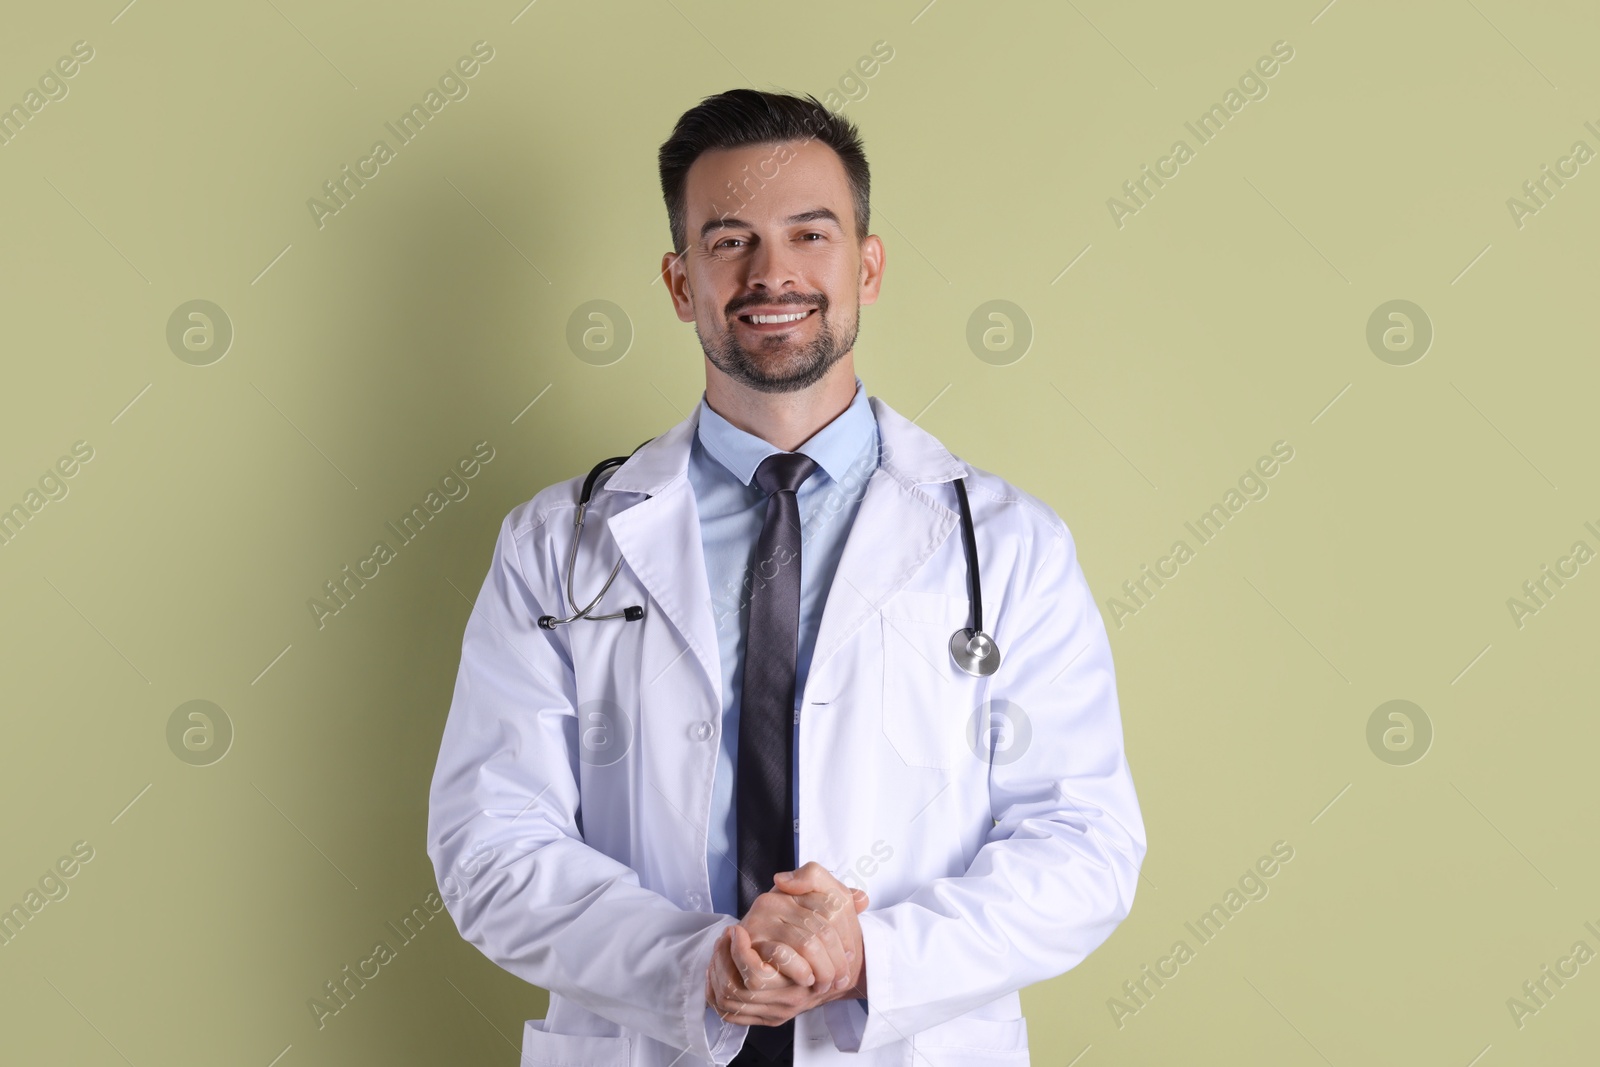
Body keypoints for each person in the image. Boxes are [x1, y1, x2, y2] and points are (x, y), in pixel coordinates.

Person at [426, 88, 1146, 1067]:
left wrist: (866, 956)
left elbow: (1083, 844)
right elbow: (490, 844)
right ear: (681, 282)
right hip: (648, 1037)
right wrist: (694, 966)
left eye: (811, 233)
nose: (773, 273)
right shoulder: (557, 542)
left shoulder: (1009, 544)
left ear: (868, 264)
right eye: (730, 240)